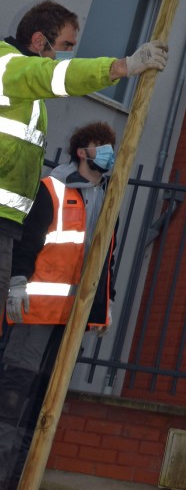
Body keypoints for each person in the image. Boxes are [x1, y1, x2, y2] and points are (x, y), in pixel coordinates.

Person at [0, 0, 168, 319]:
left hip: (8, 221)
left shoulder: (23, 91)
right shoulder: (7, 66)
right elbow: (57, 76)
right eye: (64, 46)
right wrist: (120, 67)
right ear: (38, 42)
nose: (67, 55)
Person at [0, 120, 118, 489]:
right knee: (12, 402)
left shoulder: (108, 199)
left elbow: (106, 260)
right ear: (82, 151)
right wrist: (16, 282)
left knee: (43, 408)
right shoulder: (52, 188)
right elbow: (26, 238)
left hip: (71, 321)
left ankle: (20, 480)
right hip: (35, 316)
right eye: (102, 145)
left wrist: (103, 307)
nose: (109, 153)